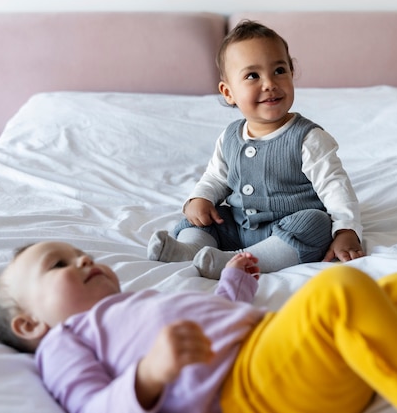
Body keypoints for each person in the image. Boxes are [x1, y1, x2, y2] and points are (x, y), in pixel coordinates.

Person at [0, 240, 397, 413]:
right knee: (339, 289)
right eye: (59, 265)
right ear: (30, 322)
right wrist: (149, 374)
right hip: (246, 391)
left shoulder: (136, 302)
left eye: (82, 253)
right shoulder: (66, 342)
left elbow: (220, 317)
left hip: (279, 355)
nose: (84, 261)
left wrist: (234, 285)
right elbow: (91, 407)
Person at [147, 20, 364, 279]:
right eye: (252, 76)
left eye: (279, 70)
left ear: (292, 73)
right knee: (201, 218)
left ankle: (237, 262)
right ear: (229, 92)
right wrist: (200, 199)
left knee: (316, 223)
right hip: (240, 225)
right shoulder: (229, 137)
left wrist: (346, 230)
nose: (269, 83)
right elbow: (216, 177)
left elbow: (335, 187)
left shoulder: (308, 137)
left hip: (287, 229)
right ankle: (190, 250)